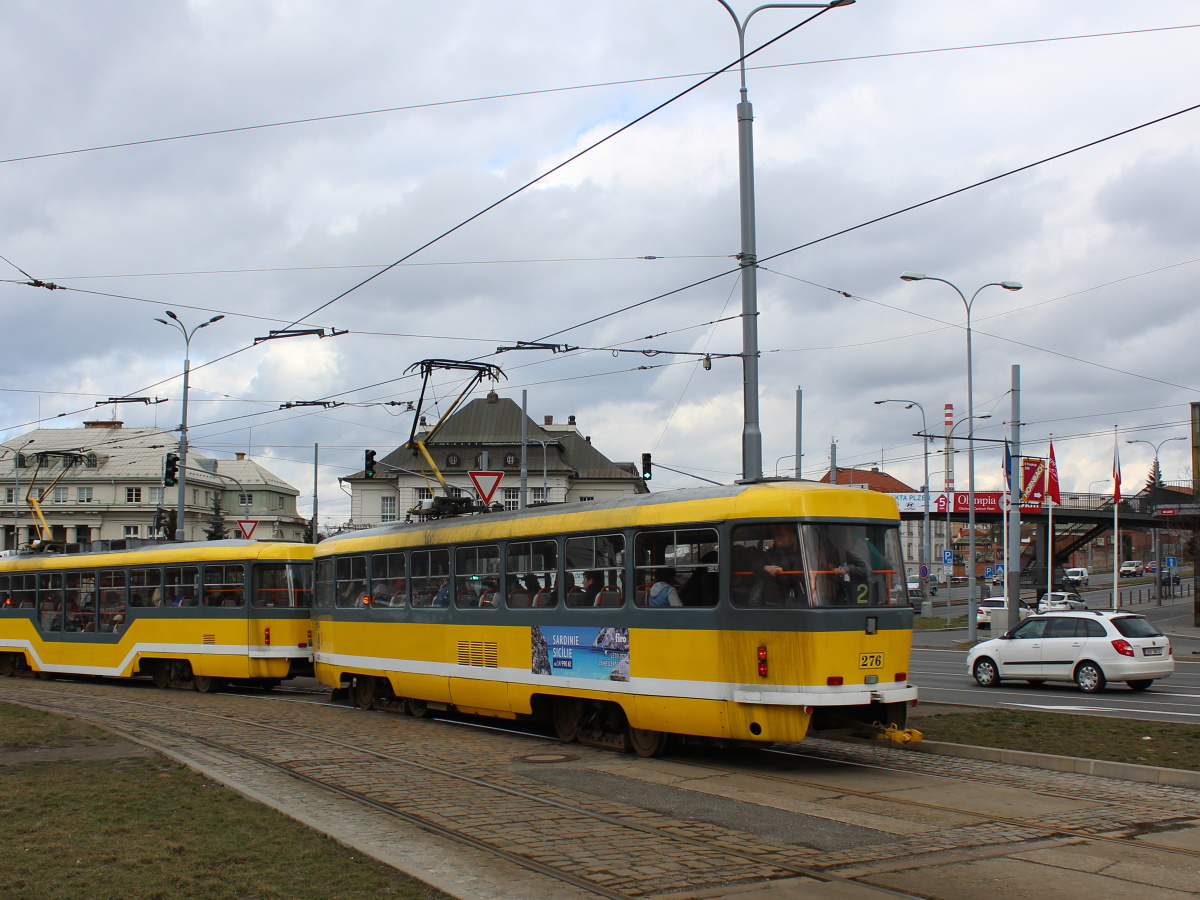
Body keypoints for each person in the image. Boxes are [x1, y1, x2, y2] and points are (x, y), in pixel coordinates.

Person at [762, 524, 804, 605]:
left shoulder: (800, 553)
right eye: (777, 535)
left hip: (795, 597)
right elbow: (755, 565)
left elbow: (800, 577)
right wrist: (765, 567)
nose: (779, 538)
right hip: (773, 599)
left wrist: (783, 572)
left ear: (790, 538)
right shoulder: (769, 553)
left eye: (782, 535)